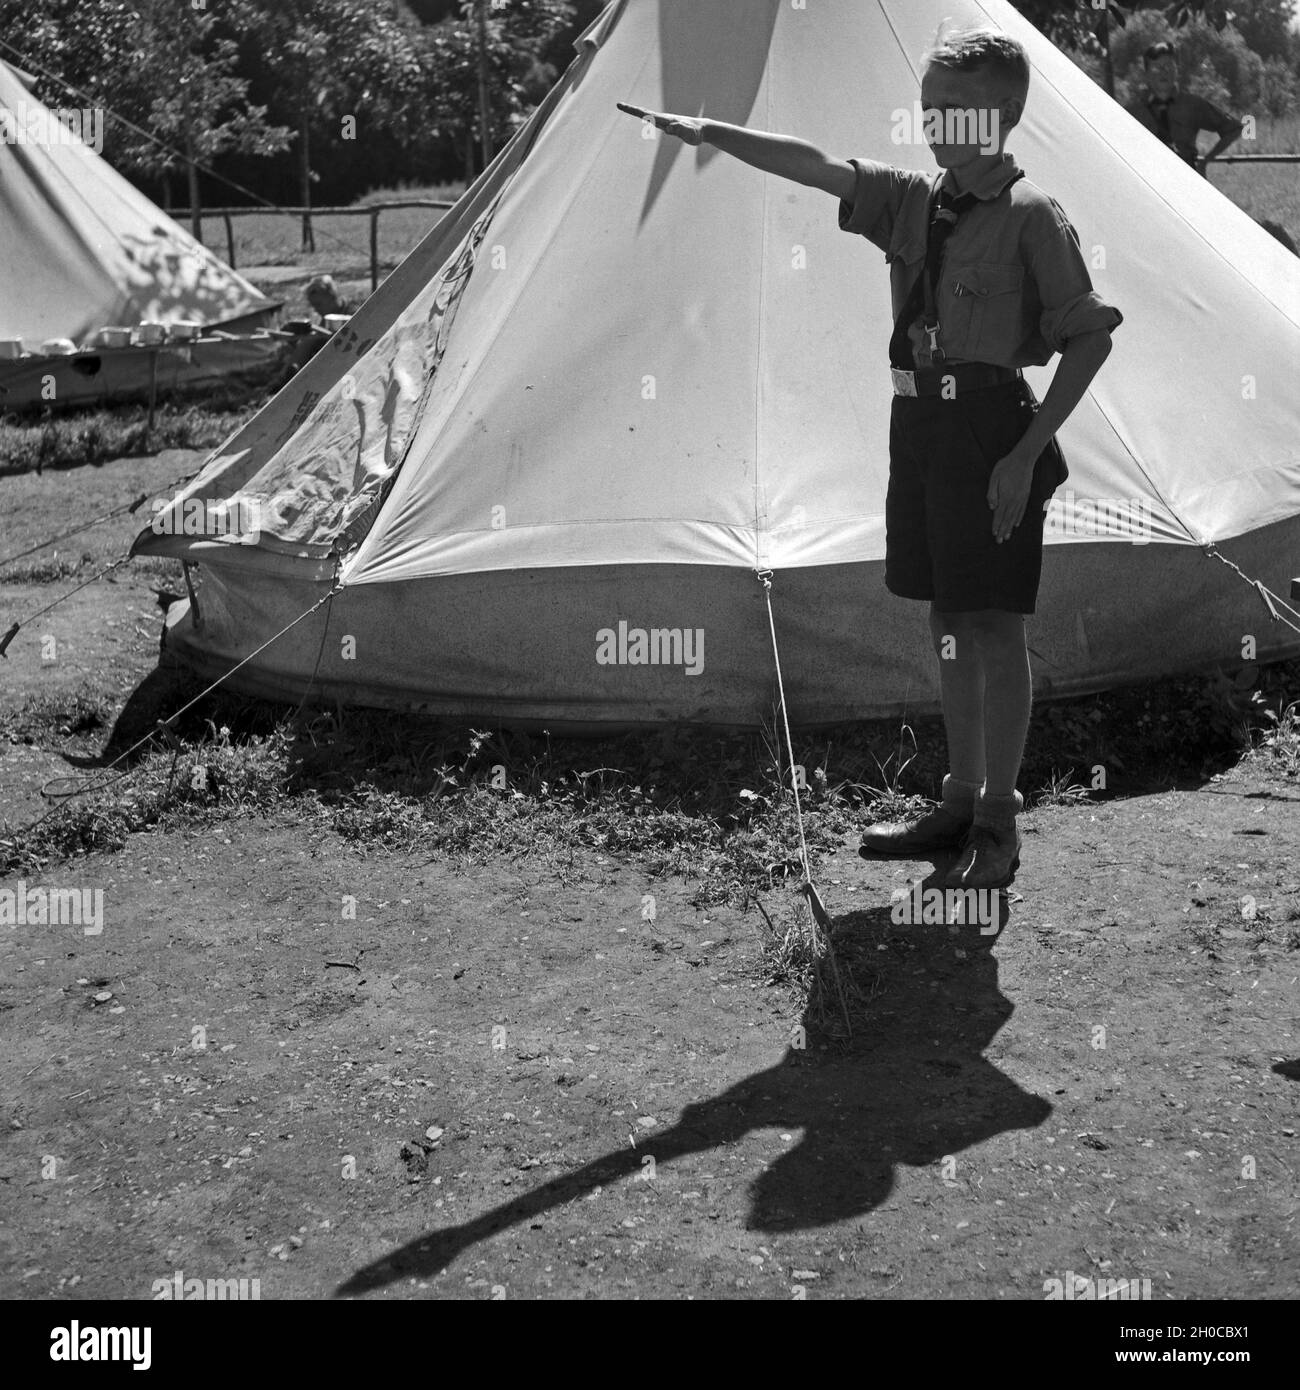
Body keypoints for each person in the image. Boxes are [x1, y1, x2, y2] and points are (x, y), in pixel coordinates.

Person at [620, 26, 1122, 890]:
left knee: (995, 628)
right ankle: (959, 800)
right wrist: (713, 134)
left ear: (1002, 116)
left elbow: (1088, 343)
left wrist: (1023, 456)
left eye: (955, 110)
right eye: (928, 107)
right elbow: (817, 165)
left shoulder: (1033, 219)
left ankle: (997, 825)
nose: (934, 123)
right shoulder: (911, 203)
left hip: (991, 430)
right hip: (920, 428)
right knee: (946, 621)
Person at [1126, 40, 1243, 175]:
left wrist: (1205, 161)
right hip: (1149, 179)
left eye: (1169, 66)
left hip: (1186, 178)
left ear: (1177, 71)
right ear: (1146, 73)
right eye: (1156, 67)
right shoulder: (1132, 112)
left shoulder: (1192, 105)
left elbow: (1233, 128)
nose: (1163, 72)